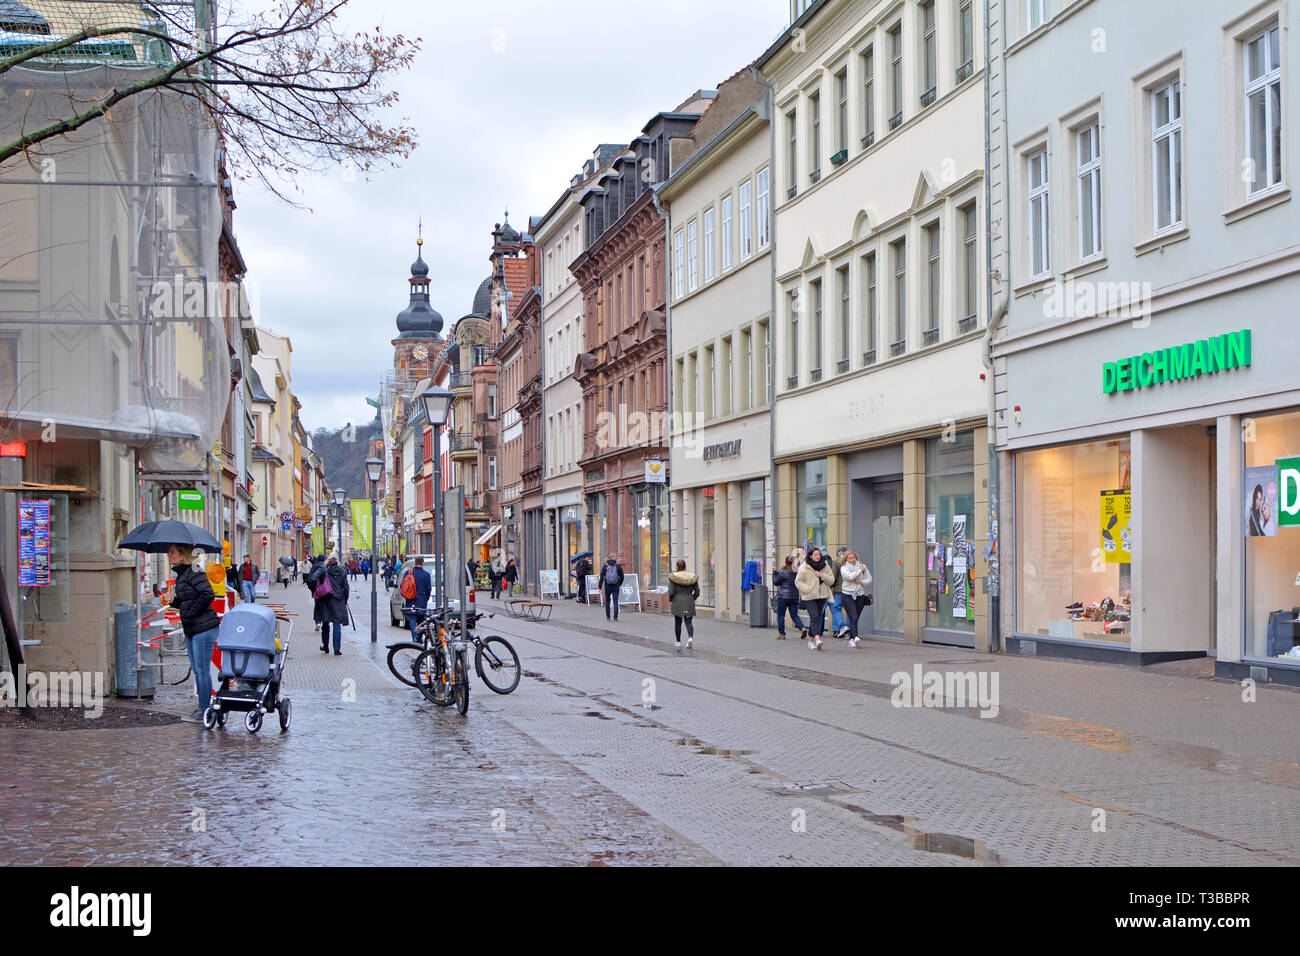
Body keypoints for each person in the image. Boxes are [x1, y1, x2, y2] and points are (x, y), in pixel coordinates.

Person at [167, 544, 221, 720]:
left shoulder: (195, 571)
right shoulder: (183, 574)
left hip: (204, 627)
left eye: (172, 552)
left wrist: (189, 613)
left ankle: (205, 709)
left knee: (202, 669)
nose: (169, 555)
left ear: (182, 555)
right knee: (198, 669)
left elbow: (207, 595)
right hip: (192, 627)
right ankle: (203, 708)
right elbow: (186, 601)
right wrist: (172, 601)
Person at [307, 555, 350, 655]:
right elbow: (346, 587)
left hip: (324, 599)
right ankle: (337, 649)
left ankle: (325, 646)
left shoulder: (323, 569)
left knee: (325, 623)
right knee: (337, 624)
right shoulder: (342, 571)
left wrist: (317, 589)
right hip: (338, 599)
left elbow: (312, 579)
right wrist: (344, 600)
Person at [795, 546, 834, 651]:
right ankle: (817, 639)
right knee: (815, 617)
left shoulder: (825, 565)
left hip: (822, 595)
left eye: (819, 554)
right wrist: (807, 589)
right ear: (811, 556)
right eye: (815, 555)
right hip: (809, 596)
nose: (817, 556)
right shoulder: (805, 567)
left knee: (816, 618)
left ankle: (810, 640)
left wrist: (822, 575)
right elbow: (798, 582)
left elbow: (831, 580)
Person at [839, 551, 872, 648]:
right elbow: (850, 577)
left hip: (860, 594)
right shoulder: (844, 568)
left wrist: (862, 582)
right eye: (850, 558)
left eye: (854, 558)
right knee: (852, 615)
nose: (852, 560)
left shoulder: (862, 566)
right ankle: (856, 636)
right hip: (847, 594)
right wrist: (859, 570)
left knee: (856, 616)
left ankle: (851, 638)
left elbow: (869, 579)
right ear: (846, 560)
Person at [667, 559, 700, 652]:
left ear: (677, 567)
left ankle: (678, 641)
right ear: (685, 566)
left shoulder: (674, 577)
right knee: (688, 621)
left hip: (677, 601)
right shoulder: (692, 577)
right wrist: (692, 598)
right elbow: (697, 591)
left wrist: (671, 599)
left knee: (678, 622)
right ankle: (690, 637)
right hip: (689, 600)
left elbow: (671, 592)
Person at [772, 554, 804, 640]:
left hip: (783, 597)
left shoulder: (783, 573)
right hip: (794, 597)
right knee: (794, 615)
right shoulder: (798, 573)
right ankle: (802, 628)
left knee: (781, 615)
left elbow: (775, 582)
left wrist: (774, 573)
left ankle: (782, 634)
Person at [402, 556, 433, 642]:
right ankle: (419, 638)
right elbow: (428, 589)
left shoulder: (408, 573)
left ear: (415, 563)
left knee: (412, 619)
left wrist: (407, 596)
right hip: (422, 600)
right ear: (422, 563)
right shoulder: (426, 575)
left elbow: (403, 586)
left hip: (410, 599)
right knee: (421, 620)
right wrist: (425, 599)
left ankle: (414, 637)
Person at [828, 547, 849, 637]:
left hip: (839, 590)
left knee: (836, 608)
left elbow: (833, 577)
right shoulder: (852, 561)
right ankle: (850, 631)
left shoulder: (836, 562)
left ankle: (843, 626)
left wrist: (830, 587)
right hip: (850, 590)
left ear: (838, 553)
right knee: (849, 610)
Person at [601, 554, 625, 621]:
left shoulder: (605, 566)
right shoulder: (618, 566)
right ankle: (615, 617)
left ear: (608, 558)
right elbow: (622, 576)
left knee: (608, 601)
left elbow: (602, 577)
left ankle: (608, 617)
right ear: (614, 558)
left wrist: (599, 586)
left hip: (607, 585)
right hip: (616, 585)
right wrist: (619, 583)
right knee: (615, 601)